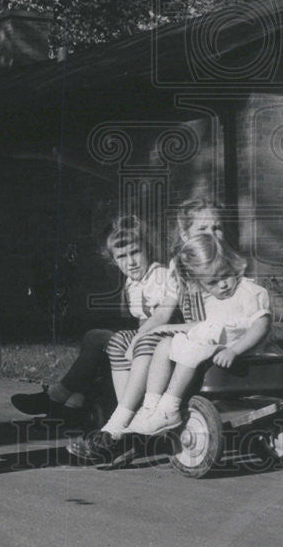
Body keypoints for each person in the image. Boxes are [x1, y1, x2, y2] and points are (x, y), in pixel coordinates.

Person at [12, 199, 224, 427]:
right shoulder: (136, 282)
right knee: (97, 337)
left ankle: (64, 398)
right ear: (113, 261)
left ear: (147, 250)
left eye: (135, 253)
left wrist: (137, 337)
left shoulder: (160, 275)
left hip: (165, 335)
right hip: (151, 333)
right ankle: (68, 399)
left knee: (105, 341)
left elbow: (162, 317)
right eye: (122, 257)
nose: (131, 262)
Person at [65, 197, 226, 464]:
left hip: (205, 335)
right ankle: (128, 420)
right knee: (120, 342)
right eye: (203, 229)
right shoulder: (179, 267)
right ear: (185, 234)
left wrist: (152, 333)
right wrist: (143, 334)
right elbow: (164, 311)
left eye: (218, 227)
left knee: (146, 341)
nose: (213, 235)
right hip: (188, 332)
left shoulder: (226, 265)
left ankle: (118, 429)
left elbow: (216, 322)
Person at [126, 233, 272, 436]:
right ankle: (151, 407)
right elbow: (209, 326)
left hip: (240, 351)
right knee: (165, 345)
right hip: (213, 348)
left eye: (225, 275)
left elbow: (261, 326)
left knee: (192, 349)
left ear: (233, 264)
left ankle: (170, 408)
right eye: (213, 282)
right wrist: (169, 329)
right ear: (201, 284)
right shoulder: (213, 299)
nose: (222, 285)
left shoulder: (248, 292)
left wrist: (234, 351)